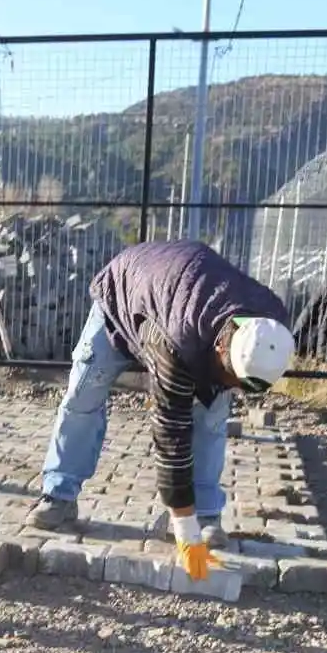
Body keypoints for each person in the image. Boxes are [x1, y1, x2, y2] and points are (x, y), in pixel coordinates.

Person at [30, 238, 295, 580]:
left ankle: (206, 514)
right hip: (123, 295)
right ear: (221, 350)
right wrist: (184, 533)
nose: (236, 389)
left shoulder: (271, 324)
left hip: (180, 295)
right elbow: (170, 435)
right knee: (83, 394)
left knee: (213, 415)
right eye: (234, 380)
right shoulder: (174, 341)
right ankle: (58, 494)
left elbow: (226, 382)